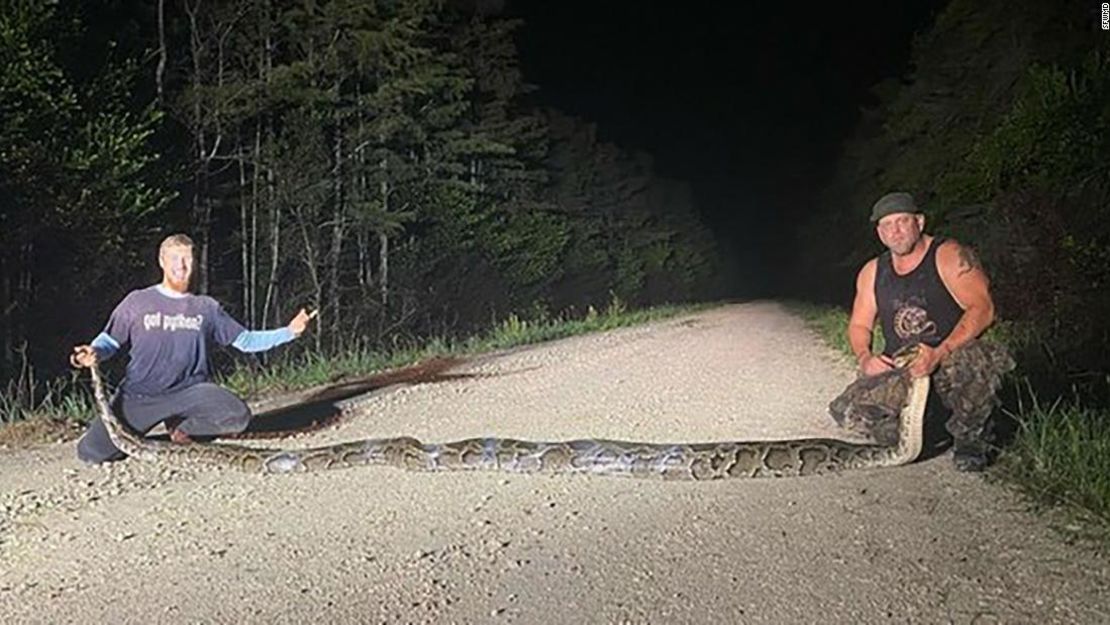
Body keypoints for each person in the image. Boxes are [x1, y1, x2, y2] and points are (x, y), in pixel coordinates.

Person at [70, 234, 316, 464]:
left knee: (236, 415)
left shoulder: (205, 308)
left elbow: (246, 341)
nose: (181, 265)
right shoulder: (137, 301)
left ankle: (182, 427)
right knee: (92, 452)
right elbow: (110, 341)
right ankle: (147, 434)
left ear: (194, 262)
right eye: (174, 258)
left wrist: (289, 332)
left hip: (190, 392)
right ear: (162, 262)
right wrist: (92, 352)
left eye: (187, 258)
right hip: (140, 395)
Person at [846, 192, 1012, 472]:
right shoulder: (872, 271)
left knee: (978, 359)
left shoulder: (949, 255)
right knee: (851, 412)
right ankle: (932, 427)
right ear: (879, 232)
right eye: (887, 225)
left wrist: (939, 352)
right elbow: (859, 325)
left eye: (902, 222)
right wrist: (865, 358)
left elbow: (983, 308)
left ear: (919, 222)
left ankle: (971, 440)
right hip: (905, 368)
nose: (895, 231)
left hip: (948, 360)